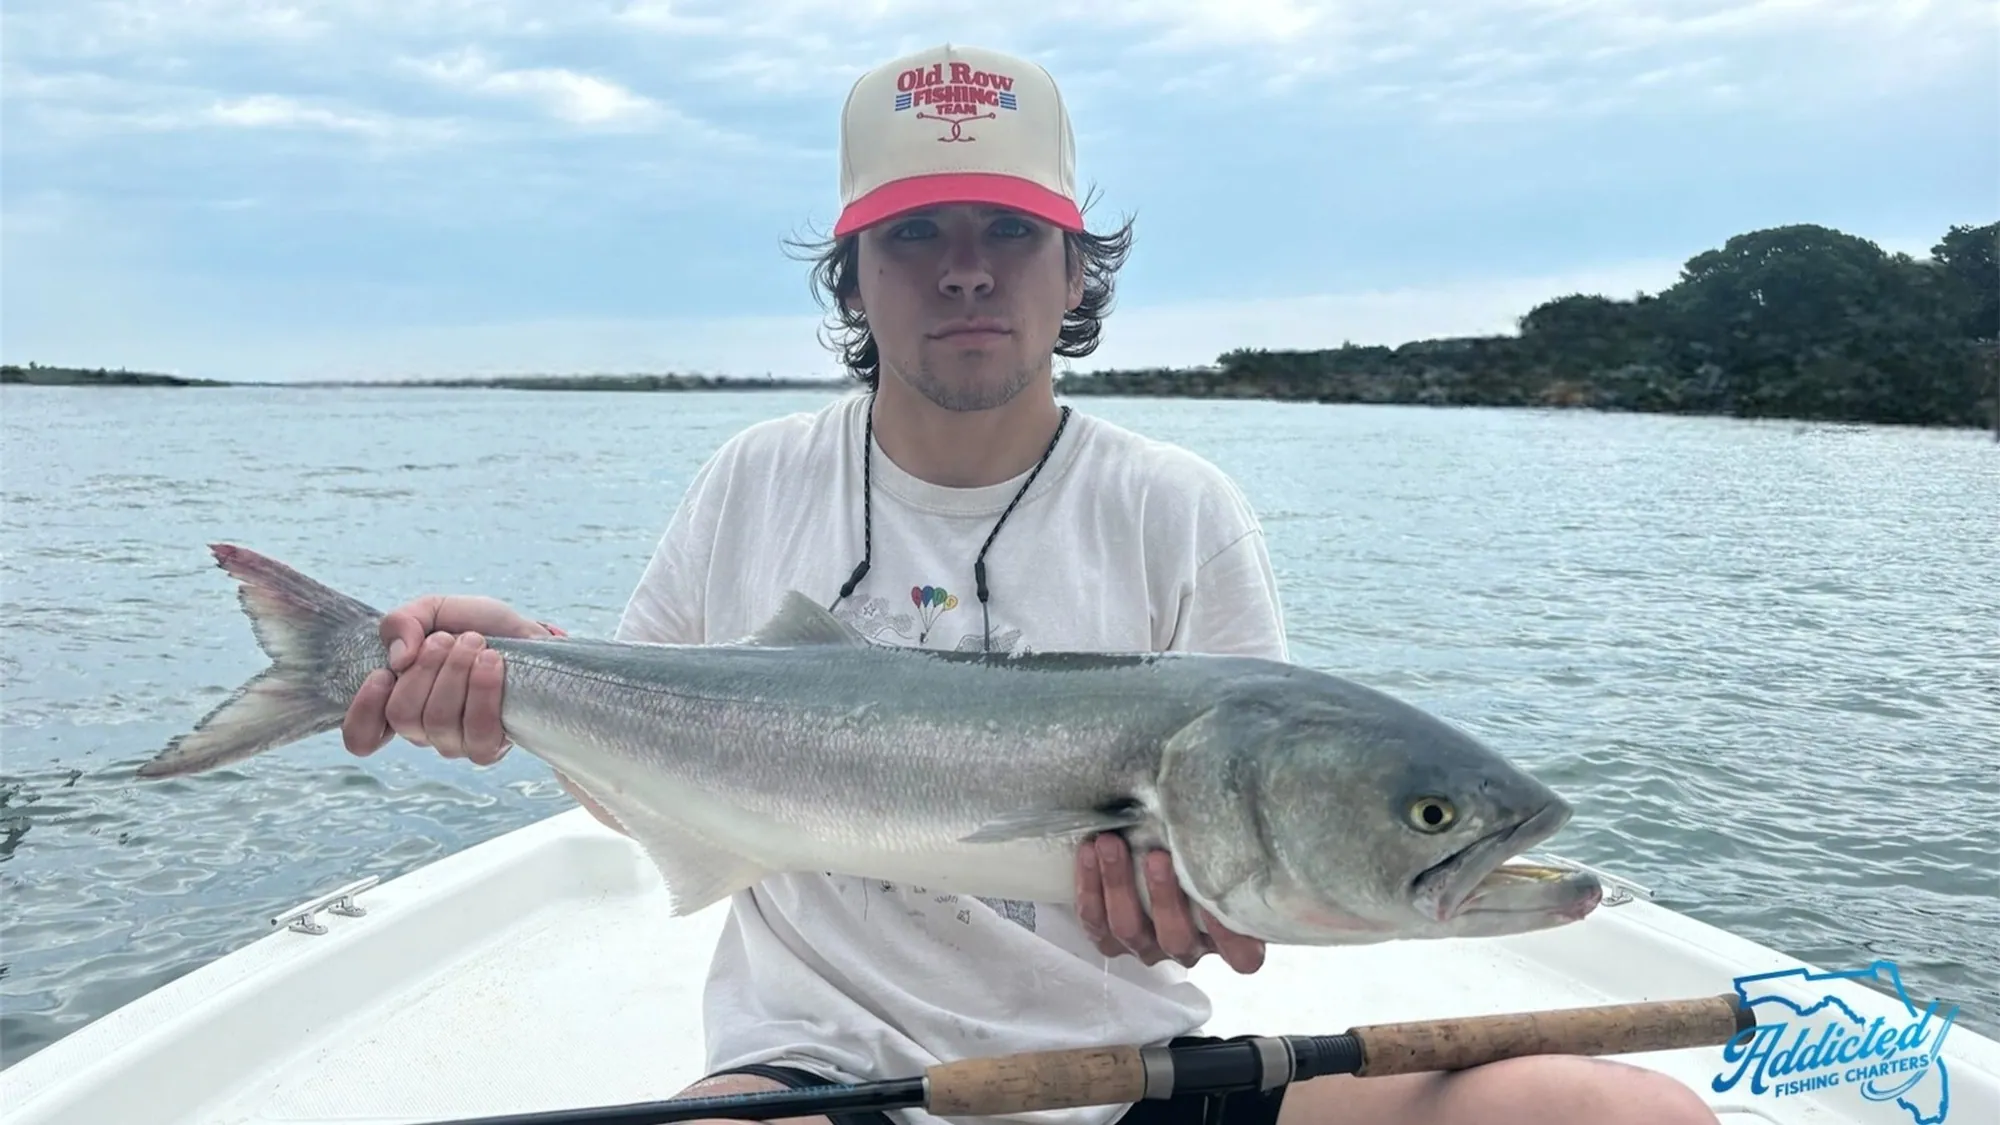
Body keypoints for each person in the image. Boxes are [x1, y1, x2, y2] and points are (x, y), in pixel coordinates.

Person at [339, 42, 1720, 1125]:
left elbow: (1237, 900)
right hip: (810, 1070)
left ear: (1074, 271)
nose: (962, 275)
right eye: (914, 238)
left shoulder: (1176, 509)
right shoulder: (752, 480)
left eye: (1006, 232)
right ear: (855, 280)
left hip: (1133, 1076)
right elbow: (649, 789)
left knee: (1624, 1114)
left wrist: (1208, 915)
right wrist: (518, 682)